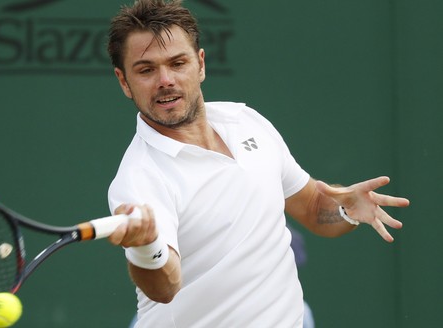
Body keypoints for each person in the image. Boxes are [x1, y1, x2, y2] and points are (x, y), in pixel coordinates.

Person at [105, 1, 410, 327]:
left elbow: (312, 209)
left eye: (177, 63)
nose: (165, 80)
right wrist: (145, 247)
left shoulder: (247, 122)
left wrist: (346, 209)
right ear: (124, 81)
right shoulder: (139, 179)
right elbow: (163, 286)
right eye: (146, 69)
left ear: (201, 64)